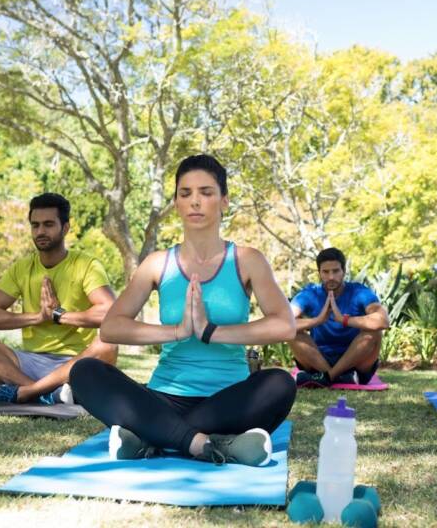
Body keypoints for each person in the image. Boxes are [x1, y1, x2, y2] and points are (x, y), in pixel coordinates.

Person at [69, 154, 297, 467]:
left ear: (224, 201)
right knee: (85, 371)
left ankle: (153, 436)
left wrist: (210, 332)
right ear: (176, 203)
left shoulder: (247, 260)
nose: (195, 202)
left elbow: (284, 325)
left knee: (280, 383)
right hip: (164, 397)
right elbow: (111, 327)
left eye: (206, 192)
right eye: (185, 193)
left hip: (228, 401)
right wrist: (176, 332)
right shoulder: (158, 263)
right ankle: (207, 444)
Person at [0, 192, 118, 404]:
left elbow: (111, 313)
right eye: (35, 225)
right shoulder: (22, 268)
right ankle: (45, 394)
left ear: (65, 228)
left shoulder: (86, 265)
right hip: (30, 361)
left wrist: (59, 315)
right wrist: (37, 317)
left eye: (48, 224)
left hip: (76, 362)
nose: (41, 231)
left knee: (108, 345)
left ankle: (24, 392)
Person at [289, 247, 388, 388]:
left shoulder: (359, 292)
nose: (331, 277)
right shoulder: (310, 293)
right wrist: (317, 320)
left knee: (375, 329)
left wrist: (344, 319)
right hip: (319, 360)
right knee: (290, 332)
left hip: (355, 361)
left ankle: (328, 377)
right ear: (319, 273)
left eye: (335, 271)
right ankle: (335, 376)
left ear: (344, 271)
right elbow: (283, 323)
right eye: (325, 272)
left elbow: (383, 321)